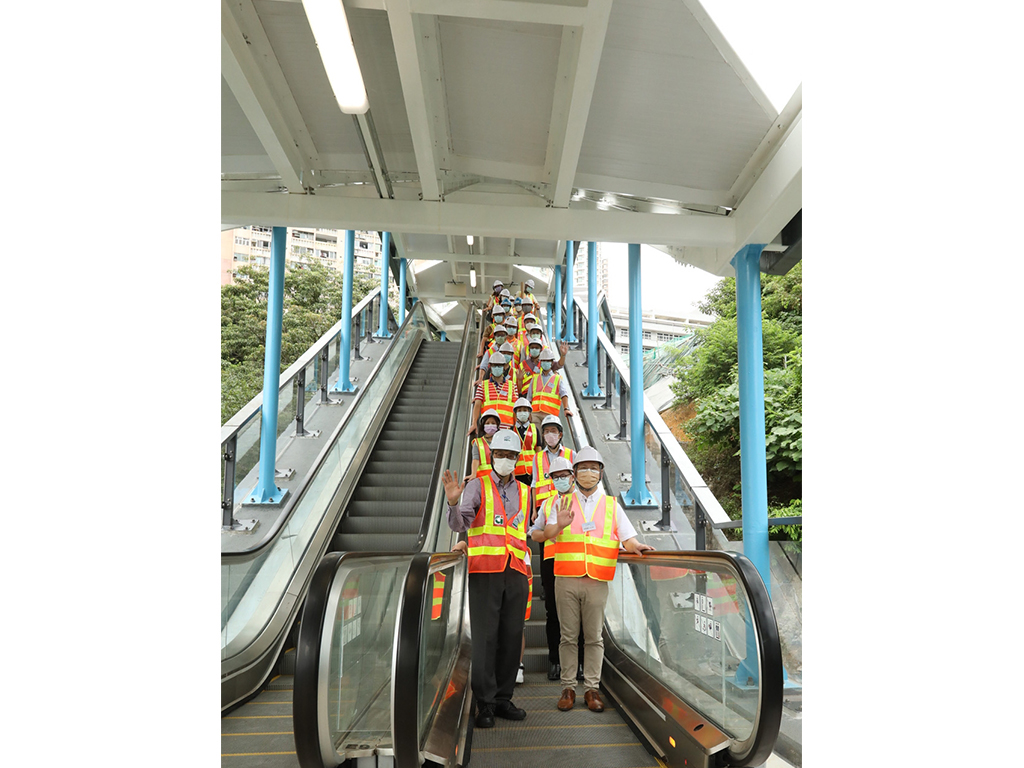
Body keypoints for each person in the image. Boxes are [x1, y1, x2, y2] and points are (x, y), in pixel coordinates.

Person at [540, 446, 655, 712]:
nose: (588, 473)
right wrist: (557, 525)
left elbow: (627, 536)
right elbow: (545, 533)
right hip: (566, 578)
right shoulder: (561, 501)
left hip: (597, 579)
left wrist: (636, 545)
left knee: (593, 637)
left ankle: (592, 689)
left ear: (601, 472)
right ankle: (568, 688)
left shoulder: (611, 505)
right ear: (574, 473)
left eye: (594, 468)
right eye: (583, 468)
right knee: (568, 636)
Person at [443, 430, 531, 728]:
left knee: (510, 636)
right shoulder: (477, 486)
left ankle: (504, 698)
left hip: (516, 572)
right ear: (491, 456)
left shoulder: (525, 492)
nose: (505, 460)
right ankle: (485, 703)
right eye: (500, 455)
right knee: (485, 638)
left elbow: (524, 530)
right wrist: (454, 503)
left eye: (510, 456)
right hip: (484, 572)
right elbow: (460, 524)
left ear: (518, 459)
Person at [528, 455, 582, 682]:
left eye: (564, 476)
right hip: (552, 562)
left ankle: (579, 662)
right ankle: (555, 660)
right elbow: (534, 532)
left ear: (573, 477)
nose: (561, 480)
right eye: (556, 477)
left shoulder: (585, 501)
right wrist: (548, 533)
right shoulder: (549, 503)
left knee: (578, 614)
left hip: (579, 561)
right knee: (553, 612)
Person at [469, 353, 518, 434]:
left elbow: (515, 409)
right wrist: (474, 423)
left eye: (499, 365)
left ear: (504, 367)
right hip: (488, 428)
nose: (497, 368)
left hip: (507, 428)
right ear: (490, 367)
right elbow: (477, 405)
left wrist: (516, 427)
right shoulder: (483, 385)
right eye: (494, 365)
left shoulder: (512, 385)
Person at [526, 348, 572, 424]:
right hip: (535, 414)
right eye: (543, 361)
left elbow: (564, 394)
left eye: (547, 361)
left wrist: (566, 409)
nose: (545, 363)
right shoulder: (535, 378)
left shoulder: (557, 378)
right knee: (536, 434)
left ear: (551, 362)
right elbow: (529, 398)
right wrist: (528, 413)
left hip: (550, 414)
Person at [511, 398, 539, 486]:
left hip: (532, 472)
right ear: (515, 413)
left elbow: (538, 449)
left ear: (529, 412)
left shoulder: (535, 429)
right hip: (517, 472)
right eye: (519, 410)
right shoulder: (511, 430)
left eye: (525, 410)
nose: (522, 412)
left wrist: (538, 469)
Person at [471, 409, 502, 477]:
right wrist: (473, 474)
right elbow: (475, 459)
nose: (490, 425)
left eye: (493, 423)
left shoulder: (501, 441)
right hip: (482, 479)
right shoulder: (477, 442)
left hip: (499, 478)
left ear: (497, 425)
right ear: (483, 426)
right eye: (487, 423)